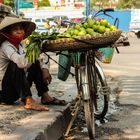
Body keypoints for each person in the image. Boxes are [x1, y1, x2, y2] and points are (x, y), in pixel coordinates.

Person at [0, 16, 66, 111]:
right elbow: (22, 63)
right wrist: (35, 51)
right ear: (8, 33)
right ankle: (28, 101)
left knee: (34, 61)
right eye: (15, 30)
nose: (19, 31)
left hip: (18, 89)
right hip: (5, 93)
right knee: (16, 64)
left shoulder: (22, 44)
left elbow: (40, 57)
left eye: (21, 29)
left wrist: (44, 68)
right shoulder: (6, 46)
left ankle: (45, 96)